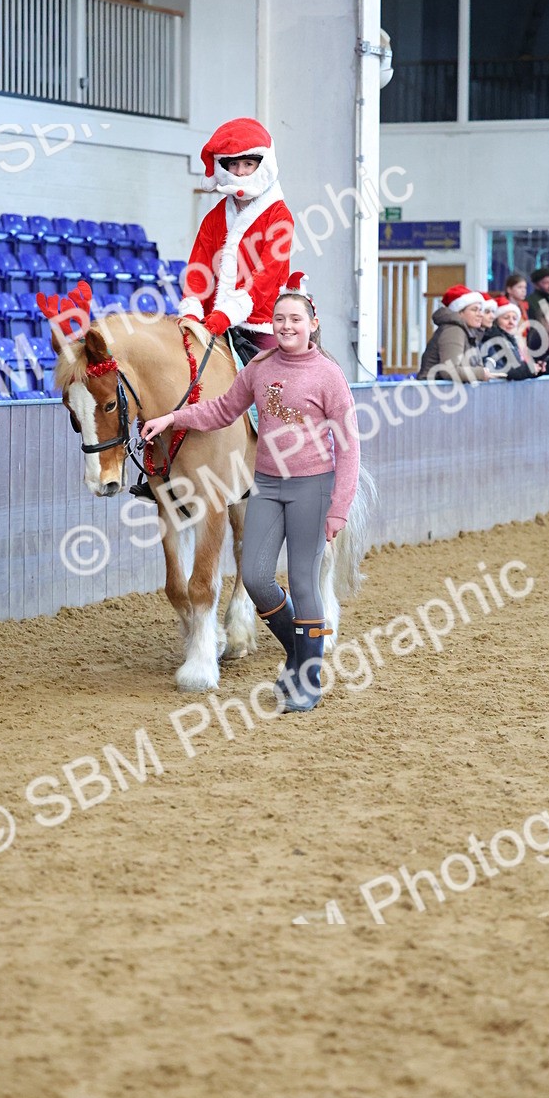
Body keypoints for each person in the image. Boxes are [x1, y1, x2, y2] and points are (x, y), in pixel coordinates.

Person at [142, 274, 359, 713]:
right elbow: (222, 409)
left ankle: (307, 679)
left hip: (311, 487)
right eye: (280, 319)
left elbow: (350, 445)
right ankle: (298, 653)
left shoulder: (329, 375)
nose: (286, 326)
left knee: (303, 582)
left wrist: (339, 507)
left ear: (313, 324)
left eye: (295, 319)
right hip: (266, 486)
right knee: (258, 581)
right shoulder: (259, 367)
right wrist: (172, 419)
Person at [176, 117, 294, 362]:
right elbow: (198, 268)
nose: (240, 172)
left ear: (262, 164)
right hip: (212, 323)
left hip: (260, 322)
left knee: (275, 378)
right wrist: (192, 310)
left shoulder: (279, 216)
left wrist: (228, 313)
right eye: (234, 164)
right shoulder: (214, 217)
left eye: (248, 164)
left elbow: (267, 276)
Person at [416, 284, 492, 381]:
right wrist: (481, 373)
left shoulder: (468, 331)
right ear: (459, 312)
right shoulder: (453, 330)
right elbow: (449, 370)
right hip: (434, 389)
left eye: (480, 310)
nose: (480, 314)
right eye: (474, 310)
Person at [481, 298, 545, 380]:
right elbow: (503, 370)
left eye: (514, 319)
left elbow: (517, 368)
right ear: (496, 321)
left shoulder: (513, 341)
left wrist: (536, 369)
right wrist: (529, 369)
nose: (511, 322)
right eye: (506, 318)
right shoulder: (492, 341)